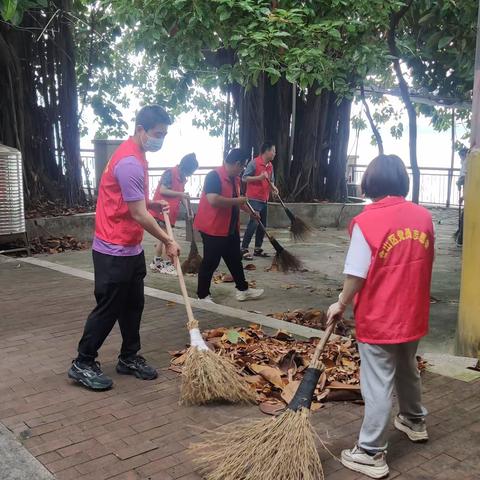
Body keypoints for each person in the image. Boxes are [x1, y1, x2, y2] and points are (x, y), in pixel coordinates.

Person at [326, 154, 434, 479]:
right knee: (407, 368)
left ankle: (371, 452)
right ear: (402, 181)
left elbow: (356, 274)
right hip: (412, 313)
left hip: (380, 317)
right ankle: (415, 421)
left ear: (369, 183)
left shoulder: (367, 221)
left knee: (377, 384)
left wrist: (340, 303)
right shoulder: (424, 218)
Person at [68, 105, 180, 391]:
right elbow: (139, 215)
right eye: (157, 134)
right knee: (108, 308)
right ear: (140, 129)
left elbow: (136, 203)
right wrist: (167, 239)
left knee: (133, 306)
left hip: (130, 248)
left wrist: (152, 203)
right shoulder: (129, 160)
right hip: (112, 249)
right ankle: (82, 362)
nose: (161, 139)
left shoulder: (138, 154)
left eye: (165, 135)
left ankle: (129, 357)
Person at [194, 148, 265, 303]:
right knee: (210, 262)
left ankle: (242, 289)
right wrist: (237, 201)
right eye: (243, 166)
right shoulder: (214, 176)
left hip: (230, 229)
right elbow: (213, 199)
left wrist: (250, 212)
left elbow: (238, 201)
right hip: (213, 228)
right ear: (237, 164)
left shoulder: (235, 179)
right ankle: (202, 295)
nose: (243, 170)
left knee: (234, 260)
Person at [149, 153, 199, 274]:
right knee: (167, 238)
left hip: (170, 213)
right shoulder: (170, 173)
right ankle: (167, 263)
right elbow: (163, 190)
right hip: (161, 210)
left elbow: (181, 195)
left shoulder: (182, 178)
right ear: (184, 168)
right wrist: (180, 194)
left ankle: (157, 262)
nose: (189, 175)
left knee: (163, 238)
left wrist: (189, 210)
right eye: (189, 172)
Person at [241, 142, 278, 260]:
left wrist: (274, 189)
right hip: (254, 198)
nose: (274, 153)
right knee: (254, 223)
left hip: (264, 198)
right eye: (273, 151)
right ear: (266, 151)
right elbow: (244, 178)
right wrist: (259, 177)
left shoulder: (270, 166)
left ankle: (257, 248)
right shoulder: (254, 163)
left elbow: (270, 181)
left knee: (263, 225)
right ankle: (244, 248)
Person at [455, 147, 469, 247]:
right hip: (467, 193)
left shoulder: (466, 162)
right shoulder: (465, 162)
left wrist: (459, 182)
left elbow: (464, 178)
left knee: (464, 216)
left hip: (469, 193)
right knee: (464, 215)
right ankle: (460, 237)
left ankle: (461, 239)